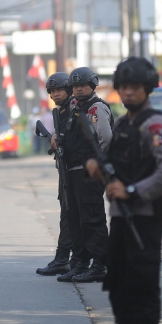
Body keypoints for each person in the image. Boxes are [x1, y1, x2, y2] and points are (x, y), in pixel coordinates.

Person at [86, 57, 162, 324]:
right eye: (124, 87)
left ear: (147, 89)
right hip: (121, 218)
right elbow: (117, 170)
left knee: (142, 284)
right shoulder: (124, 123)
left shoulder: (154, 125)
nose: (128, 93)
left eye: (135, 88)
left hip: (144, 216)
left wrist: (133, 192)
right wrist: (98, 171)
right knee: (118, 283)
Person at [56, 67, 113, 284]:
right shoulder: (73, 108)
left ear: (92, 85)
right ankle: (79, 263)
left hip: (89, 173)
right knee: (75, 220)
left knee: (92, 220)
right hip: (72, 172)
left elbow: (106, 140)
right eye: (75, 86)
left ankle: (99, 265)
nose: (78, 89)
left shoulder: (95, 109)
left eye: (82, 85)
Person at [36, 73, 74, 277]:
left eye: (59, 89)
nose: (55, 94)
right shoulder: (61, 112)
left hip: (80, 170)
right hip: (66, 169)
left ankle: (84, 262)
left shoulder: (77, 109)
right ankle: (64, 259)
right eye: (51, 91)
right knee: (66, 215)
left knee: (79, 218)